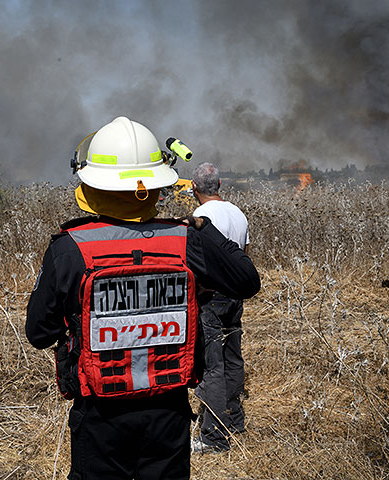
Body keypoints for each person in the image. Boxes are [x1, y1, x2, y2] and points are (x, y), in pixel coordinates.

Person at [25, 117, 260, 480]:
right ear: (157, 184)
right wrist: (203, 229)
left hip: (101, 414)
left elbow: (39, 333)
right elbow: (246, 281)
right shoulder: (186, 241)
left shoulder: (70, 248)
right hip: (168, 412)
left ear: (90, 182)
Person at [190, 162, 250, 453]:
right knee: (233, 357)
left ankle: (213, 437)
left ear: (193, 188)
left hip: (210, 298)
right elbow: (244, 259)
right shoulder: (238, 213)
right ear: (220, 185)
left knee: (212, 365)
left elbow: (195, 262)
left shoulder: (201, 216)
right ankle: (234, 421)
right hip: (234, 297)